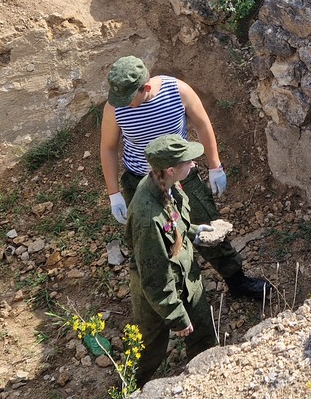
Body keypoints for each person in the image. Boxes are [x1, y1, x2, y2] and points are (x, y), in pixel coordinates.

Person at [100, 56, 271, 299]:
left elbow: (203, 124)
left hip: (181, 176)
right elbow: (108, 148)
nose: (123, 105)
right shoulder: (114, 108)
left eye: (128, 100)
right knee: (152, 240)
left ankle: (237, 281)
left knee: (208, 226)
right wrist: (114, 194)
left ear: (145, 88)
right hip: (141, 181)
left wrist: (215, 166)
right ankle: (170, 298)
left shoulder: (177, 91)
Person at [126, 133, 218, 388]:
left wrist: (195, 231)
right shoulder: (148, 217)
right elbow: (154, 278)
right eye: (188, 162)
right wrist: (176, 317)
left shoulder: (168, 183)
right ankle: (128, 392)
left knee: (203, 335)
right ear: (170, 169)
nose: (193, 165)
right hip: (157, 292)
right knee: (149, 348)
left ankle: (205, 385)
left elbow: (176, 222)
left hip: (186, 275)